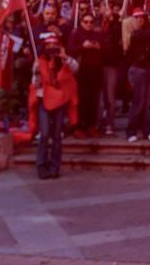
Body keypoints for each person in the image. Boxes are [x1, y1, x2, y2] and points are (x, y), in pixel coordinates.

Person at [30, 34, 78, 179]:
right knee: (44, 134)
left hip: (60, 101)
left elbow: (76, 68)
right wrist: (37, 79)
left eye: (54, 47)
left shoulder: (64, 62)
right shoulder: (39, 63)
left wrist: (64, 57)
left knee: (57, 135)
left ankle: (55, 166)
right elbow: (35, 82)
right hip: (44, 101)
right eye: (48, 47)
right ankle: (41, 165)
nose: (51, 50)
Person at [124, 8, 150, 142]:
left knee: (146, 103)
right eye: (137, 18)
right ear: (133, 20)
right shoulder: (136, 34)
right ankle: (131, 131)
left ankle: (147, 131)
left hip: (146, 69)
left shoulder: (145, 33)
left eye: (142, 17)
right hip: (138, 70)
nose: (140, 20)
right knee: (138, 102)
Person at [67, 12, 105, 138]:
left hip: (95, 71)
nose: (89, 24)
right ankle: (78, 126)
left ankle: (91, 125)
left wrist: (99, 47)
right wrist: (83, 47)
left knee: (93, 100)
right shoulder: (76, 34)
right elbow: (70, 50)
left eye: (91, 22)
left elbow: (107, 49)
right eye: (86, 22)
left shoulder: (98, 34)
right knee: (81, 100)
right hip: (81, 72)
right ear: (81, 22)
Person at [99, 7, 123, 136]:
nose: (106, 13)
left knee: (110, 97)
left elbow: (118, 36)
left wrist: (114, 20)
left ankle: (109, 123)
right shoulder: (97, 25)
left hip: (111, 65)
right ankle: (98, 123)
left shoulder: (115, 26)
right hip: (98, 65)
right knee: (99, 98)